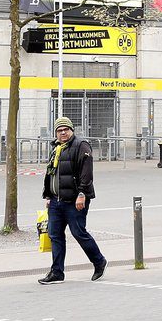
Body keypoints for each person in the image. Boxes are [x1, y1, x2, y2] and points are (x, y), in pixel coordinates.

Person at [38, 117, 106, 284]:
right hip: (56, 201)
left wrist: (82, 193)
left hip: (75, 200)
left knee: (78, 233)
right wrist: (48, 195)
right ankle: (57, 272)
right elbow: (51, 173)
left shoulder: (81, 145)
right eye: (59, 130)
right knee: (55, 235)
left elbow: (86, 172)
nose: (63, 133)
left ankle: (99, 261)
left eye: (65, 129)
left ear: (72, 130)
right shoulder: (56, 148)